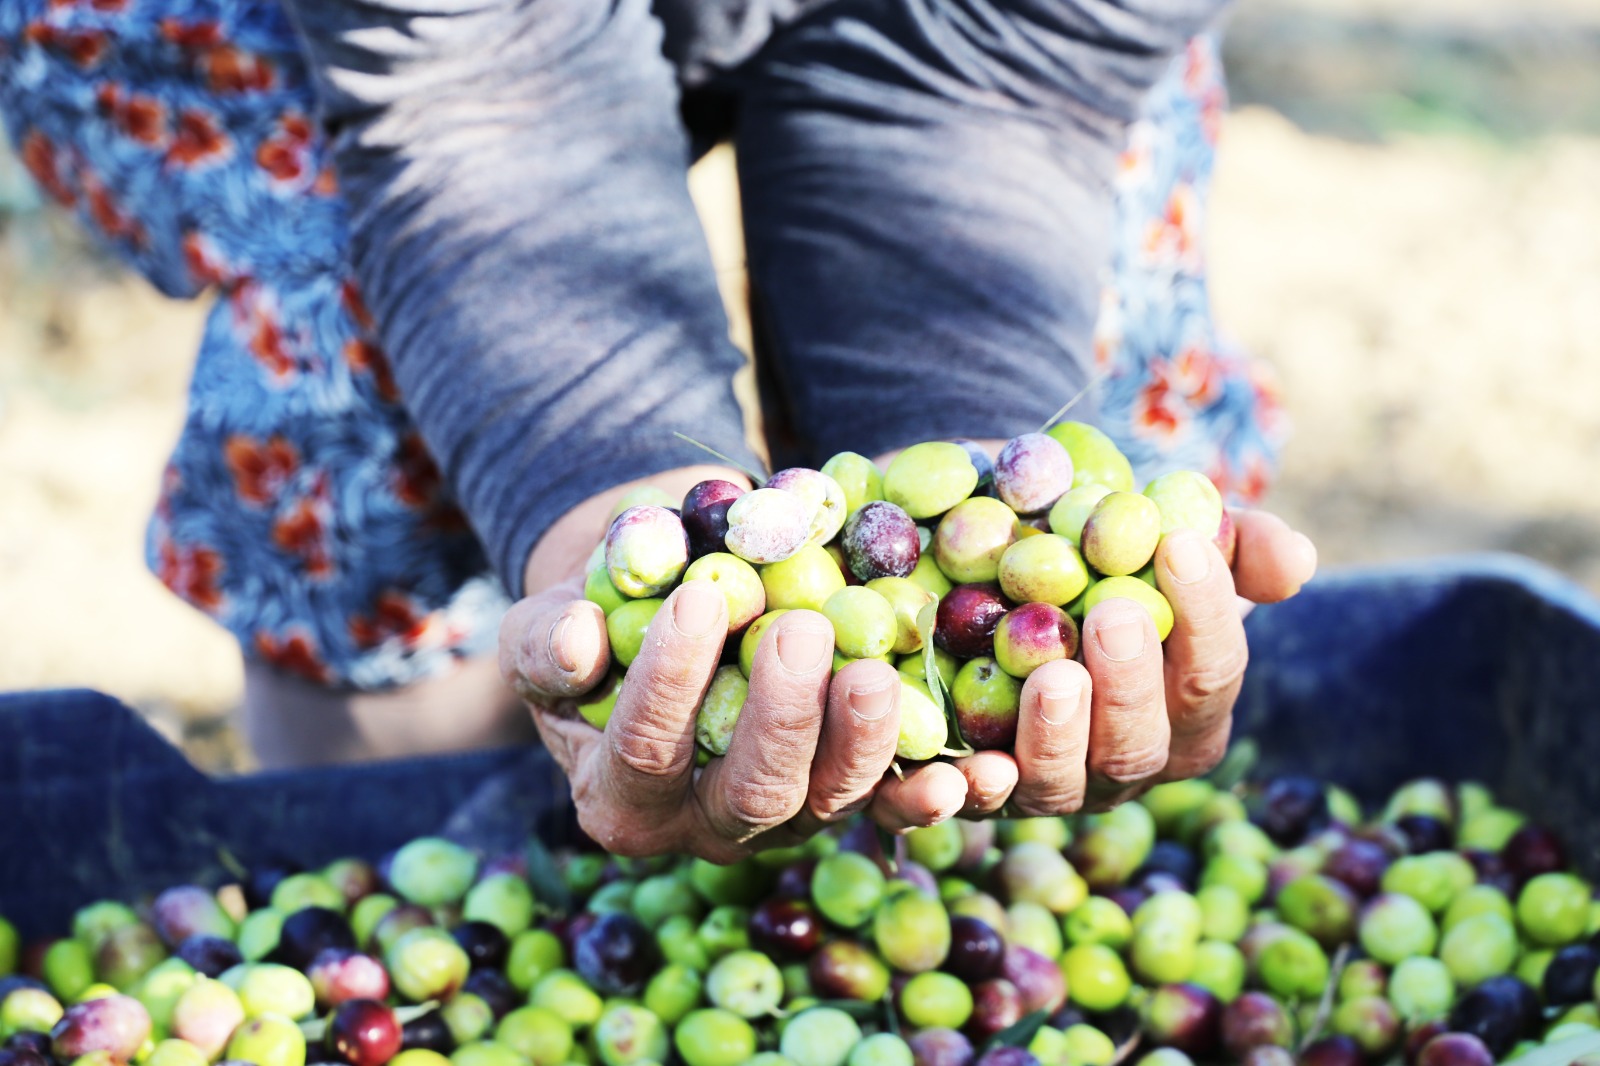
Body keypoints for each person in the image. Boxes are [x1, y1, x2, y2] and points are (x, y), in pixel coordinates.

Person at [0, 0, 1315, 861]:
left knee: (1085, 361)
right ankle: (455, 852)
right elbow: (484, 92)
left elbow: (988, 61)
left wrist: (952, 455)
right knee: (367, 417)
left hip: (998, 55)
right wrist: (604, 504)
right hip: (414, 45)